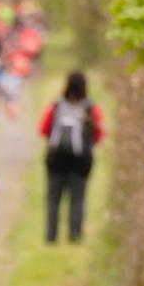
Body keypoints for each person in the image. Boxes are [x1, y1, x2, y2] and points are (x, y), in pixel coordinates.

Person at [39, 71, 104, 244]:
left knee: (53, 198)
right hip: (80, 162)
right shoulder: (90, 108)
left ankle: (51, 235)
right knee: (78, 198)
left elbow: (43, 129)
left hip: (56, 160)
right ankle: (74, 235)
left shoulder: (56, 106)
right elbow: (98, 135)